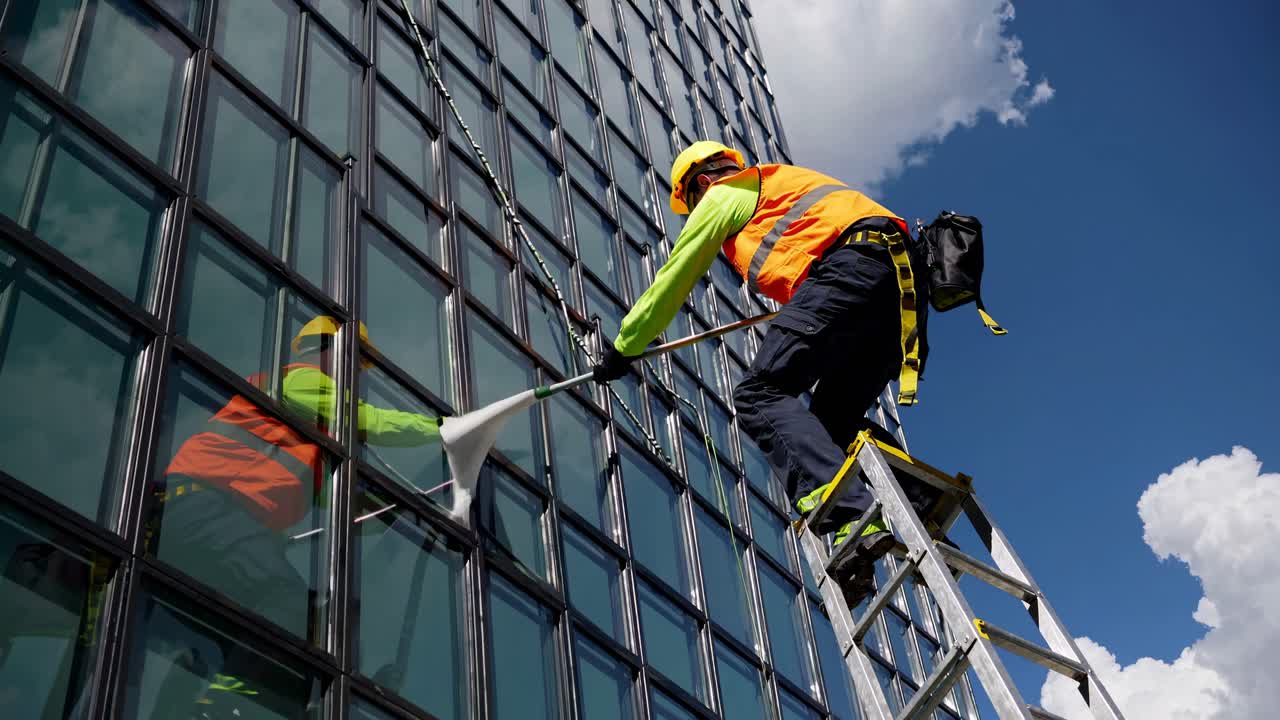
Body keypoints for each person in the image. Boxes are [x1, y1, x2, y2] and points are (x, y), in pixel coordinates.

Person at [592, 141, 934, 606]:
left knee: (759, 394)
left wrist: (625, 346)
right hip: (898, 293)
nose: (694, 210)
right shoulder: (780, 186)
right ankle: (917, 500)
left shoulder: (723, 194)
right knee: (832, 423)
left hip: (852, 270)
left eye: (690, 202)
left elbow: (675, 276)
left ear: (702, 182)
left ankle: (852, 518)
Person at [151, 316, 442, 716]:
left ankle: (198, 703)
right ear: (329, 352)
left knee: (270, 631)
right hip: (203, 508)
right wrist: (445, 429)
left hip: (200, 518)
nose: (358, 377)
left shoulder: (303, 444)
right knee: (283, 600)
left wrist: (410, 516)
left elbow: (342, 503)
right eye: (356, 365)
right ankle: (222, 704)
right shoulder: (299, 380)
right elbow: (367, 419)